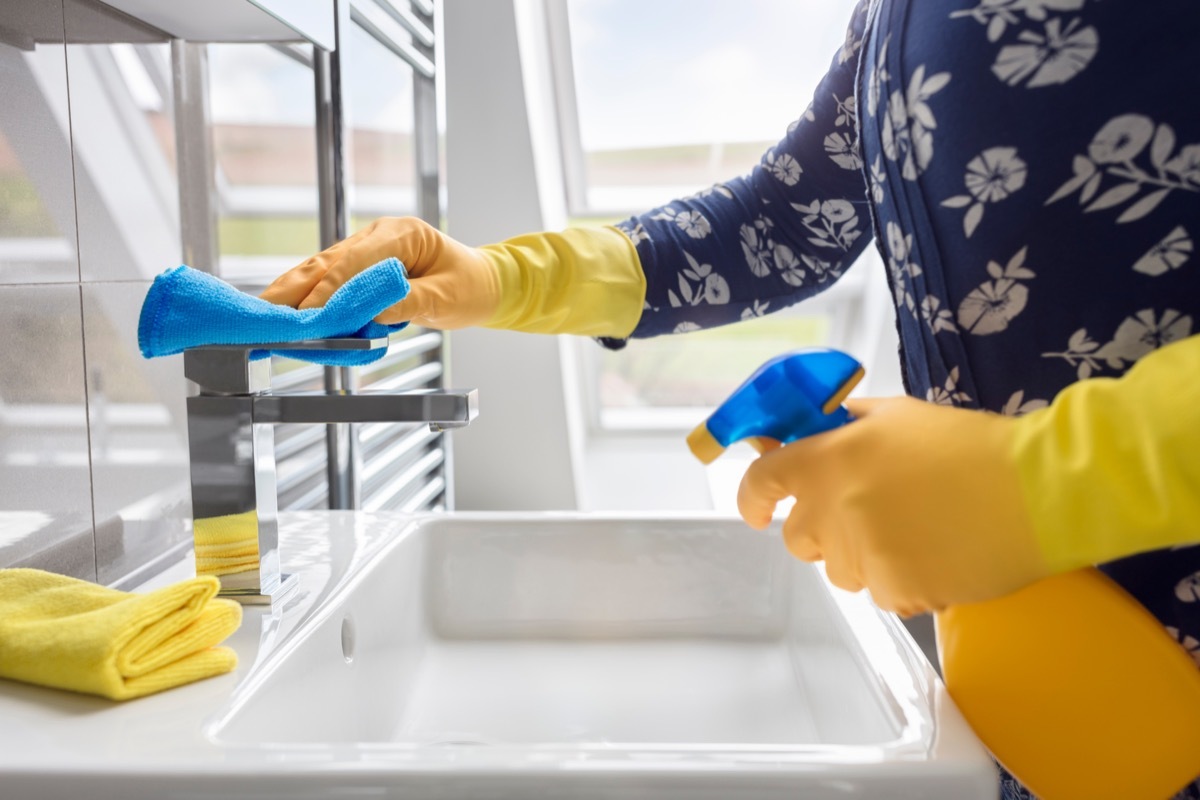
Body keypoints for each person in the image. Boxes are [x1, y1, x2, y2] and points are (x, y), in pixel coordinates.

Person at [262, 1, 1200, 796]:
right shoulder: (893, 21)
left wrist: (1047, 480)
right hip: (1052, 678)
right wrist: (500, 277)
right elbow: (778, 223)